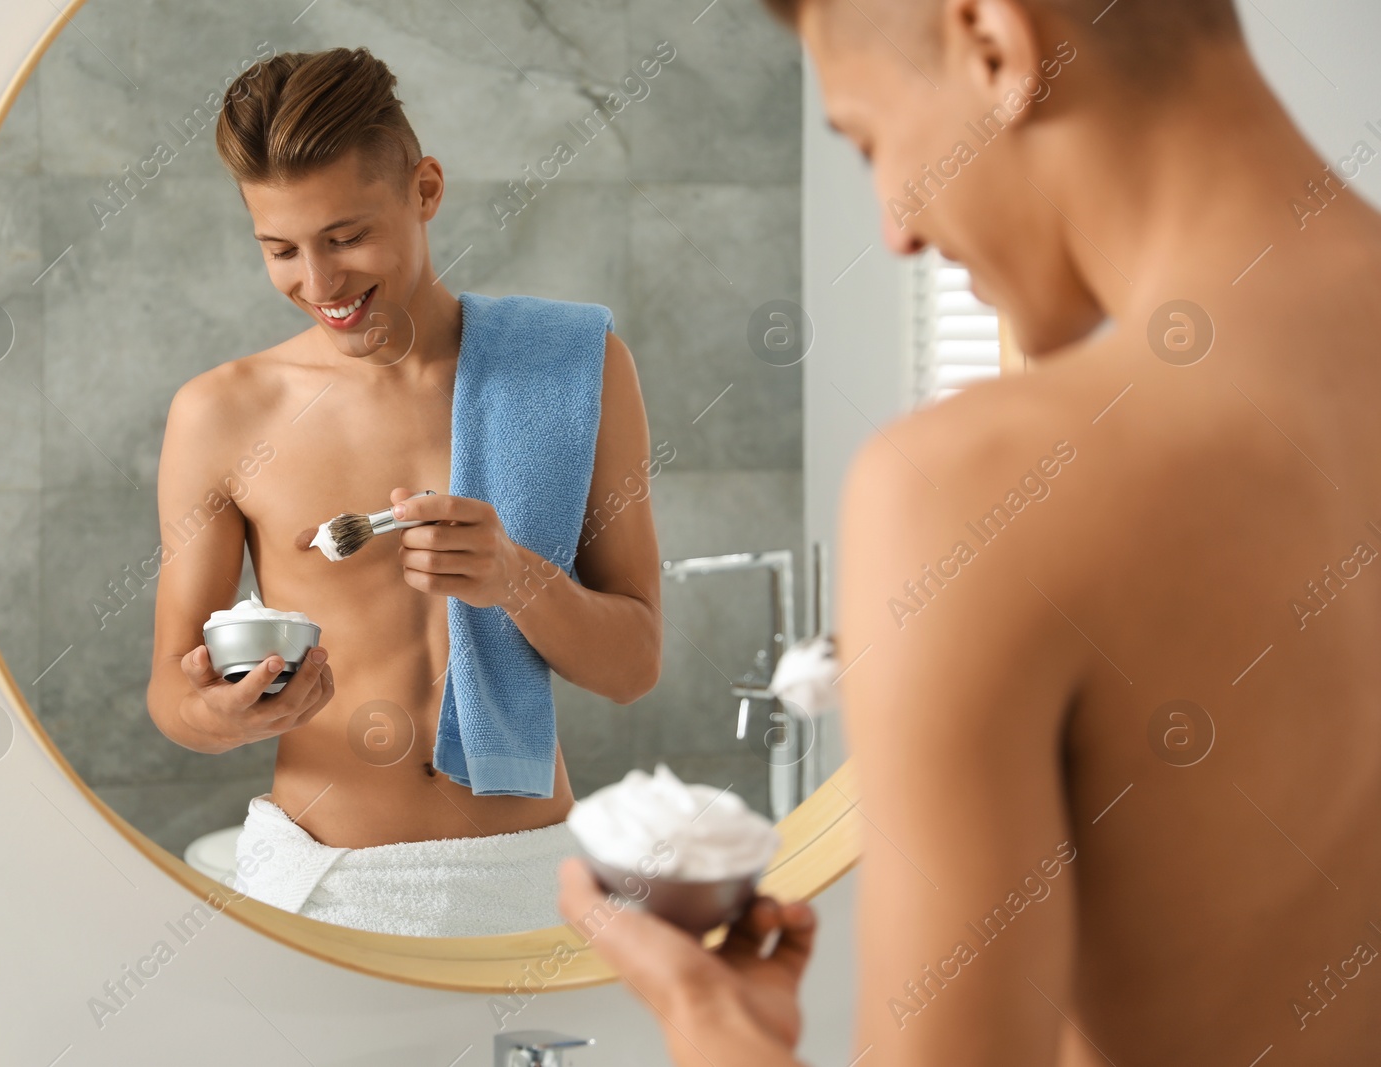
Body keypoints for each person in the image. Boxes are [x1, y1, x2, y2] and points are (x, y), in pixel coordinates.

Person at [559, 0, 1381, 1061]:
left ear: (993, 44)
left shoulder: (977, 486)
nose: (895, 226)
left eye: (865, 139)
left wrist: (712, 1020)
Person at [145, 47, 663, 937]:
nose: (319, 285)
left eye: (346, 238)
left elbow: (634, 667)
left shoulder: (571, 368)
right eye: (281, 249)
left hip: (522, 881)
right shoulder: (221, 414)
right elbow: (171, 696)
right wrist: (221, 715)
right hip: (324, 888)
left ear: (425, 189)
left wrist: (513, 576)